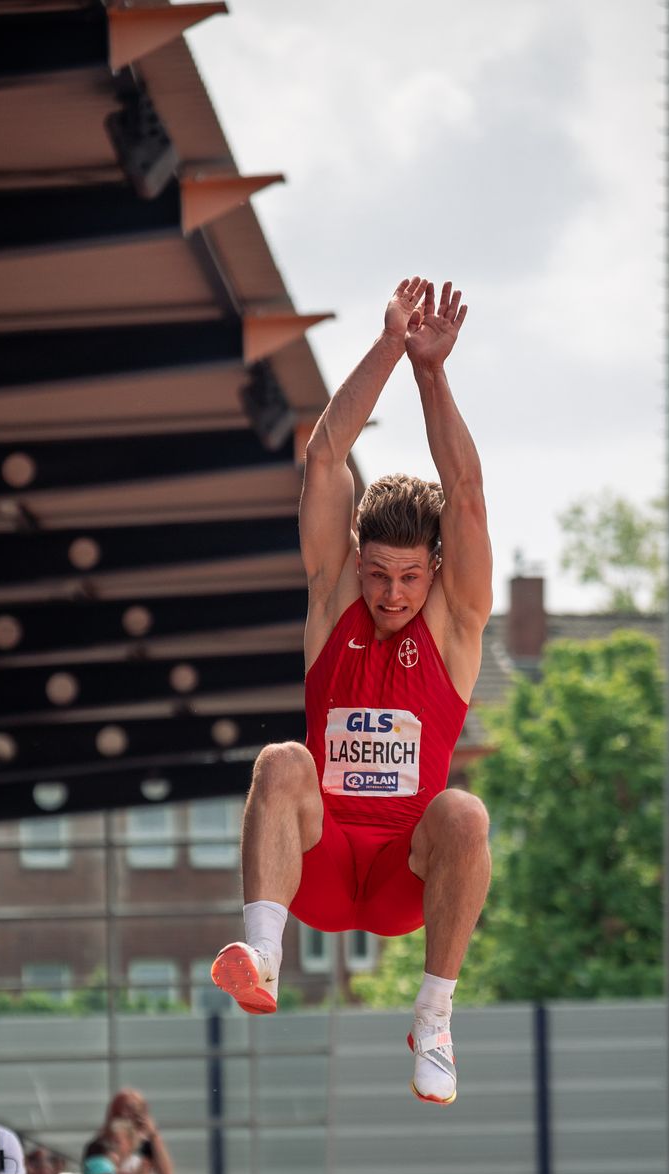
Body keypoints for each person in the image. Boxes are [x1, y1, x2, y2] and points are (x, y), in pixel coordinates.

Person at [209, 277, 493, 1107]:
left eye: (409, 577)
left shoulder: (454, 621)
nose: (393, 594)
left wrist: (432, 374)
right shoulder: (334, 592)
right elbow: (325, 456)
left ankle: (434, 1019)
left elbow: (466, 495)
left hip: (407, 872)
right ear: (357, 560)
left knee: (466, 813)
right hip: (321, 863)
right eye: (378, 574)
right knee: (280, 758)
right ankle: (263, 953)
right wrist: (389, 346)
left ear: (434, 569)